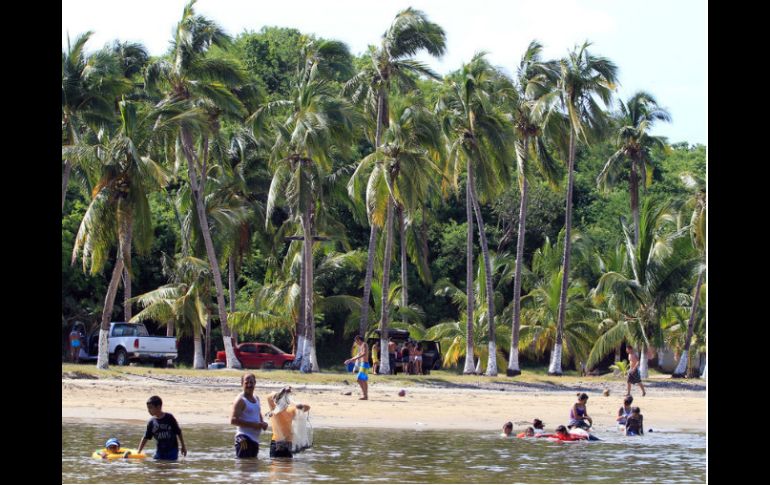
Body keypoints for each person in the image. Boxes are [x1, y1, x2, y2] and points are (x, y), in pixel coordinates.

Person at [231, 373, 269, 458]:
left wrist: (262, 423)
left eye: (251, 382)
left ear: (255, 383)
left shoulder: (256, 398)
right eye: (246, 383)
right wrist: (254, 425)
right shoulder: (240, 400)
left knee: (252, 467)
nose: (249, 385)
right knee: (244, 467)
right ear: (242, 384)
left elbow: (258, 412)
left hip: (254, 440)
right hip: (243, 439)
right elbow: (233, 420)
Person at [137, 395, 187, 460]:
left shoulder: (169, 418)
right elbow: (146, 437)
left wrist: (183, 446)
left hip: (172, 451)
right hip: (159, 451)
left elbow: (178, 432)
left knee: (170, 466)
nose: (148, 410)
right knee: (158, 466)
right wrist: (138, 451)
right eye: (148, 408)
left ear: (158, 407)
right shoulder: (151, 422)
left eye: (150, 408)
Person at [266, 386, 311, 458]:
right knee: (276, 467)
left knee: (288, 467)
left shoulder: (291, 409)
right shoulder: (274, 408)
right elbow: (268, 397)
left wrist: (296, 404)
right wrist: (282, 391)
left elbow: (307, 407)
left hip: (289, 444)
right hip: (277, 443)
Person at [344, 335, 370, 400]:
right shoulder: (361, 346)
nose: (356, 342)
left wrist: (353, 359)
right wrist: (350, 359)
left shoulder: (364, 344)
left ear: (359, 340)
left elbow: (364, 353)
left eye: (356, 341)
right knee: (363, 380)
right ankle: (365, 395)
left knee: (359, 379)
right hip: (363, 364)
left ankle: (365, 395)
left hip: (364, 364)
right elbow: (358, 354)